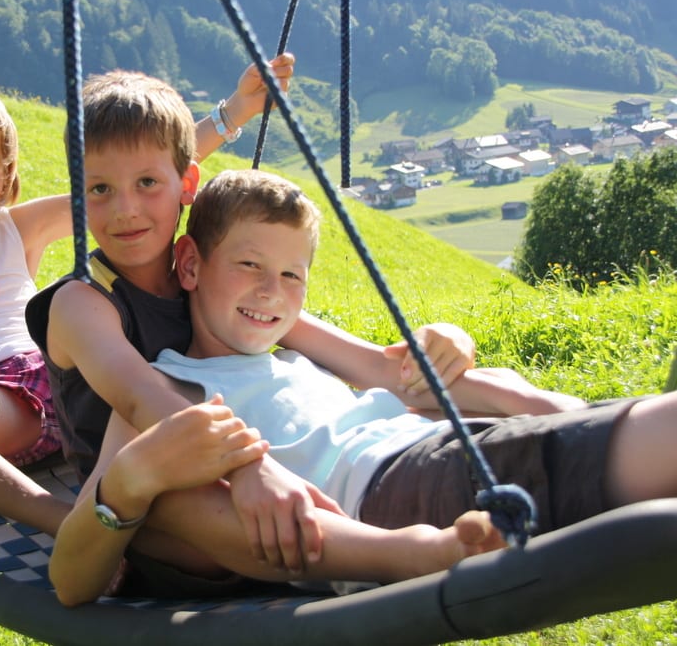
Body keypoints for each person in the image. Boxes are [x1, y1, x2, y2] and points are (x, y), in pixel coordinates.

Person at [49, 168, 677, 605]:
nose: (271, 292)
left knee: (554, 406)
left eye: (292, 276)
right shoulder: (171, 387)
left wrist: (463, 354)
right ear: (191, 264)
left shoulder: (294, 353)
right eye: (249, 265)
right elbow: (84, 550)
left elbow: (403, 375)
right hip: (396, 484)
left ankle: (590, 415)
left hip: (436, 444)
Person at [0, 55, 296, 535]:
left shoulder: (19, 228)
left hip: (67, 386)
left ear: (7, 170)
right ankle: (54, 517)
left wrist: (236, 111)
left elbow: (138, 176)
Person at [24, 70, 482, 581]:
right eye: (99, 189)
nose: (125, 210)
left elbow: (368, 362)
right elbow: (139, 399)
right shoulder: (82, 302)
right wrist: (248, 467)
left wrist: (448, 340)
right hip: (140, 500)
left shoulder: (213, 282)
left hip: (247, 470)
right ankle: (403, 555)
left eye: (147, 184)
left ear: (185, 187)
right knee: (182, 498)